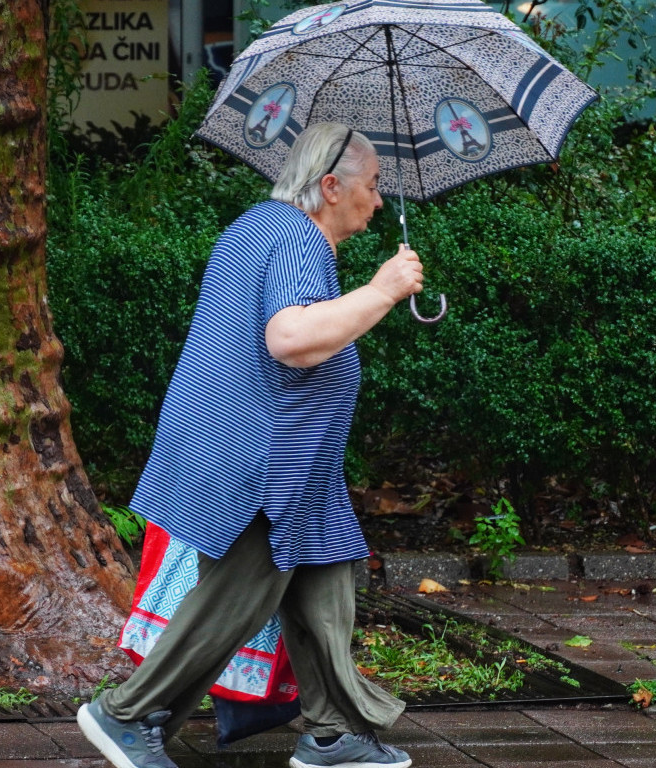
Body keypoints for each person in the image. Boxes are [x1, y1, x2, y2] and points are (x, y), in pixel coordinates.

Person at [76, 122, 422, 768]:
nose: (378, 203)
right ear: (329, 186)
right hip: (262, 464)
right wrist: (381, 291)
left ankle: (331, 732)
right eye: (372, 187)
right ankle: (125, 713)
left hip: (285, 463)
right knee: (238, 593)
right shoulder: (297, 240)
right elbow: (289, 339)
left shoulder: (257, 226)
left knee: (324, 575)